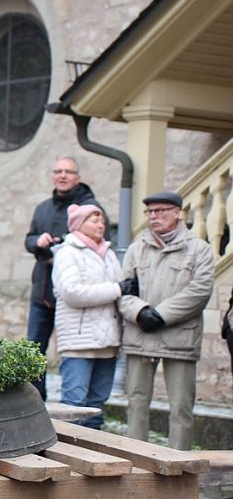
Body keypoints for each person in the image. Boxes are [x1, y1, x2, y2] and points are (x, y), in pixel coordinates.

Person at [118, 191, 214, 450]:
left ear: (177, 213)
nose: (154, 216)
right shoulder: (136, 249)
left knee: (181, 406)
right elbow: (124, 290)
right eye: (150, 212)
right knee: (136, 402)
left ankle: (178, 465)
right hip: (141, 334)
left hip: (179, 337)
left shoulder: (199, 249)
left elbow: (200, 291)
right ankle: (137, 460)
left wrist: (161, 315)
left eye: (160, 211)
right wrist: (140, 311)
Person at [24, 156, 103, 399]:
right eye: (58, 171)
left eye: (68, 171)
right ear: (52, 176)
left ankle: (77, 407)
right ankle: (36, 401)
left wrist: (63, 245)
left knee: (73, 352)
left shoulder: (91, 209)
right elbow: (28, 239)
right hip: (43, 292)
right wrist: (38, 241)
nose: (62, 175)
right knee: (33, 351)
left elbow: (98, 241)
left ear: (77, 177)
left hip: (72, 295)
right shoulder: (43, 208)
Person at [52, 204, 134, 429]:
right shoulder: (68, 252)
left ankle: (95, 457)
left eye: (102, 221)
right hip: (78, 343)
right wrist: (117, 289)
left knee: (97, 405)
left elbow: (122, 289)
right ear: (79, 224)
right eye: (94, 220)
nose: (101, 225)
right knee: (74, 406)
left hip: (107, 342)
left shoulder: (108, 253)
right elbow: (73, 293)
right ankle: (67, 456)